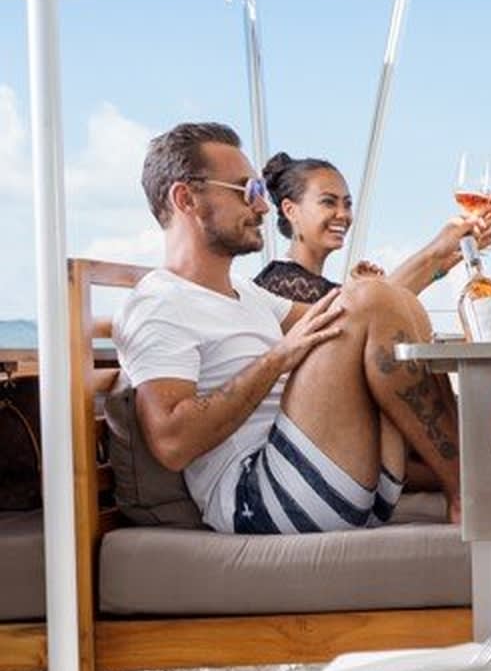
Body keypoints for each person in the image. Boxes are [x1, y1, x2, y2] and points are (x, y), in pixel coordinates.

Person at [115, 123, 463, 534]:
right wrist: (278, 357)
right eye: (247, 190)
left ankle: (474, 475)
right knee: (374, 297)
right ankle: (468, 490)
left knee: (397, 303)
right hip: (259, 496)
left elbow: (357, 316)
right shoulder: (158, 304)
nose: (263, 207)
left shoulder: (247, 294)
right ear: (185, 198)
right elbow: (172, 444)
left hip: (333, 475)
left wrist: (435, 259)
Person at [252, 152, 491, 304]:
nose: (343, 214)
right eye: (328, 202)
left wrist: (446, 260)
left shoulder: (312, 285)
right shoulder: (283, 283)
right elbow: (360, 319)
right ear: (290, 210)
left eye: (347, 204)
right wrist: (435, 250)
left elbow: (384, 304)